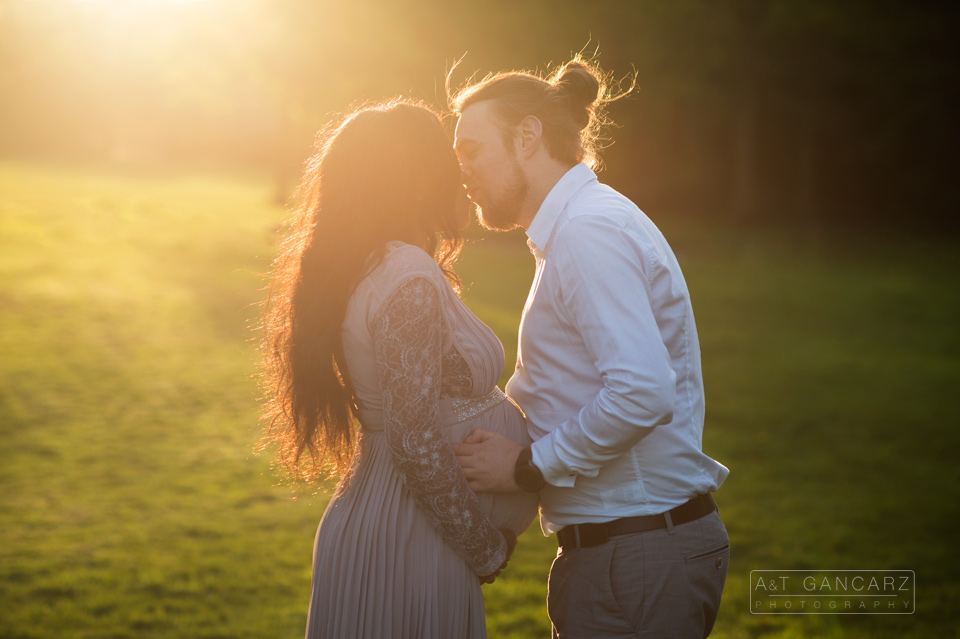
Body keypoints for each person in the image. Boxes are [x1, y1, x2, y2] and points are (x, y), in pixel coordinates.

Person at [449, 57, 731, 638]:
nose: (463, 173)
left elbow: (643, 391)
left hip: (636, 553)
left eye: (471, 151)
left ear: (527, 137)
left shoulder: (587, 231)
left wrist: (528, 467)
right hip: (633, 551)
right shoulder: (579, 227)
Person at [259, 98, 538, 639]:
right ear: (414, 182)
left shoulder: (369, 264)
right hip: (411, 538)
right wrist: (484, 548)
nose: (459, 179)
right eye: (444, 164)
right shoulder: (405, 276)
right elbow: (413, 438)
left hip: (386, 518)